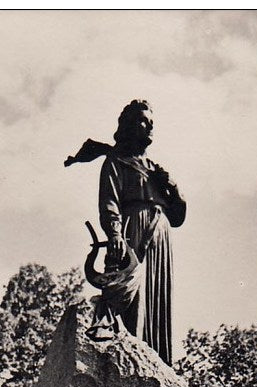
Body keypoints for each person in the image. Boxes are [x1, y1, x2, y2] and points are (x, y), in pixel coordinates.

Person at [65, 100, 186, 365]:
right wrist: (116, 234)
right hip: (133, 230)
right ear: (129, 126)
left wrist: (173, 188)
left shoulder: (156, 170)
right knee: (128, 293)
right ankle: (125, 353)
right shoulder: (115, 162)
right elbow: (109, 203)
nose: (149, 127)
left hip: (160, 236)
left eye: (152, 123)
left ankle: (156, 362)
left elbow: (178, 217)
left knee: (155, 298)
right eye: (144, 121)